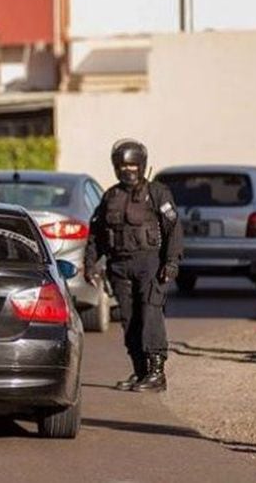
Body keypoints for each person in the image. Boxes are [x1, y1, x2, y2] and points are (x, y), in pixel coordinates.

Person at [84, 139, 183, 393]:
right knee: (129, 321)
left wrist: (171, 262)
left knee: (150, 316)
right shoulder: (111, 196)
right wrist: (90, 264)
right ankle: (140, 371)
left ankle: (156, 373)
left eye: (132, 165)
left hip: (150, 265)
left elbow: (174, 230)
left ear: (141, 166)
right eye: (122, 165)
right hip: (119, 267)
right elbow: (96, 234)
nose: (127, 170)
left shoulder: (158, 193)